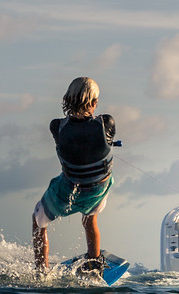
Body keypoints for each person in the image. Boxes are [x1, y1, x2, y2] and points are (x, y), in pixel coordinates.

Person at [32, 77, 117, 273]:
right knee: (90, 218)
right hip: (98, 190)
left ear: (68, 99)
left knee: (38, 220)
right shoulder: (106, 122)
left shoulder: (56, 126)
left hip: (68, 189)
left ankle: (41, 272)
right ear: (94, 102)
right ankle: (95, 264)